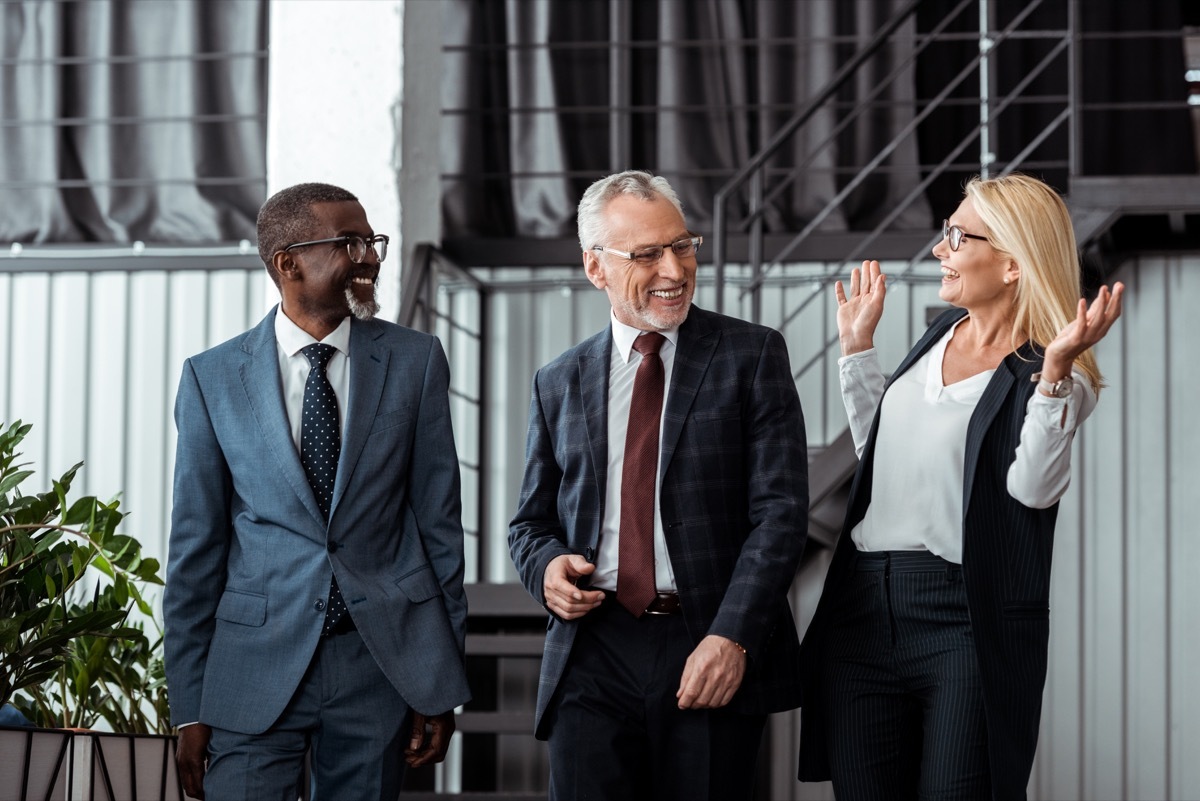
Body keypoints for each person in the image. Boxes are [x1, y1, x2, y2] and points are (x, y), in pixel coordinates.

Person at [797, 173, 1125, 800]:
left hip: (963, 619)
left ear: (1010, 263)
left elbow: (1031, 491)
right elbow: (881, 460)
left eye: (955, 236)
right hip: (863, 609)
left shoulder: (1053, 374)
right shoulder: (934, 339)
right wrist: (857, 350)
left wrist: (1055, 374)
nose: (937, 250)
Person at [508, 170, 809, 801]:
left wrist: (732, 637)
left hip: (705, 638)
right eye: (647, 254)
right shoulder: (557, 380)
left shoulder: (751, 356)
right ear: (596, 268)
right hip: (592, 647)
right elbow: (530, 524)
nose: (674, 269)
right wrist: (546, 569)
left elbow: (780, 515)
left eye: (683, 245)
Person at [163, 182, 470, 800]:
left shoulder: (416, 362)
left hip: (378, 664)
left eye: (372, 240)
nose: (371, 257)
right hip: (251, 667)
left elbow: (439, 529)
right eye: (350, 242)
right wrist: (189, 704)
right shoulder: (212, 378)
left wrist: (438, 681)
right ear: (289, 263)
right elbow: (195, 548)